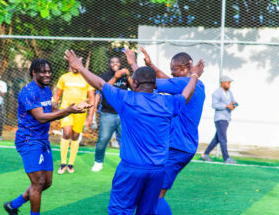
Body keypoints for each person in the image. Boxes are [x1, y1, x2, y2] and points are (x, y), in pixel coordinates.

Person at [64, 49, 204, 215]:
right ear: (154, 85)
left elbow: (100, 84)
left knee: (120, 210)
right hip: (156, 170)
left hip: (132, 169)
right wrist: (195, 76)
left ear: (135, 84)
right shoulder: (168, 103)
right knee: (147, 210)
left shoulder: (126, 99)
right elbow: (185, 95)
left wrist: (79, 67)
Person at [3, 59, 91, 215]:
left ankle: (13, 205)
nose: (47, 74)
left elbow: (54, 108)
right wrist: (68, 111)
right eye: (43, 72)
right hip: (29, 140)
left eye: (49, 71)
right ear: (34, 73)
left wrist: (74, 108)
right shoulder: (28, 92)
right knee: (37, 183)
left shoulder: (46, 90)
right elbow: (41, 117)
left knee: (47, 183)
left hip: (42, 139)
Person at [126, 47, 206, 214]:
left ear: (186, 67)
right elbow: (168, 80)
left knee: (156, 195)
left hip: (177, 147)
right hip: (182, 146)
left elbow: (147, 82)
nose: (173, 74)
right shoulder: (195, 84)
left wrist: (133, 64)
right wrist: (151, 65)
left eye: (175, 70)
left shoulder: (184, 82)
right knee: (150, 193)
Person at [91, 56, 131, 172]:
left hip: (123, 114)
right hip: (107, 113)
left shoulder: (125, 76)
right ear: (109, 64)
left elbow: (134, 88)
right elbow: (103, 89)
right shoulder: (104, 76)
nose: (115, 64)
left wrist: (128, 77)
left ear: (120, 64)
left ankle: (127, 163)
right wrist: (115, 77)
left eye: (117, 62)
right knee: (103, 139)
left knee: (125, 139)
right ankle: (98, 162)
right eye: (112, 62)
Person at [53, 64, 95, 174]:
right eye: (73, 63)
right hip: (66, 110)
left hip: (81, 112)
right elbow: (57, 94)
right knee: (66, 133)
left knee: (75, 136)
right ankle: (63, 163)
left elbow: (91, 97)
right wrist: (53, 109)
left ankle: (71, 164)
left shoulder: (86, 79)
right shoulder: (64, 77)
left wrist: (91, 116)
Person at [201, 75, 237, 164]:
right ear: (223, 83)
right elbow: (214, 105)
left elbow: (234, 102)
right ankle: (226, 158)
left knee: (217, 138)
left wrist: (234, 105)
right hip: (220, 119)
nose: (229, 85)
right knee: (223, 139)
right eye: (228, 83)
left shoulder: (230, 93)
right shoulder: (217, 93)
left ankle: (205, 155)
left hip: (227, 118)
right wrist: (226, 106)